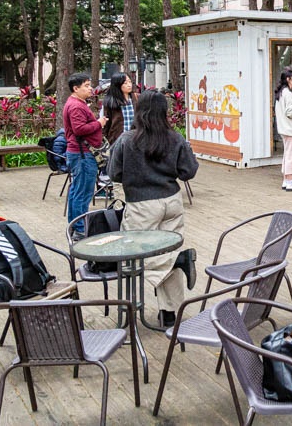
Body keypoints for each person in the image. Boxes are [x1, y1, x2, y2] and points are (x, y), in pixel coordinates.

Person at [108, 90, 199, 328]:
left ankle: (130, 311)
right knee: (167, 250)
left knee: (133, 258)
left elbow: (113, 173)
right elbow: (189, 171)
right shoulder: (175, 138)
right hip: (171, 201)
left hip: (141, 204)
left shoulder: (127, 140)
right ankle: (169, 313)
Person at [63, 72, 108, 235]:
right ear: (76, 88)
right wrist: (99, 123)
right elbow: (79, 129)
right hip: (82, 154)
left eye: (90, 85)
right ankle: (80, 229)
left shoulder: (78, 103)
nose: (90, 89)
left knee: (77, 191)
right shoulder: (75, 105)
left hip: (80, 153)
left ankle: (75, 226)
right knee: (83, 193)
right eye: (86, 86)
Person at [101, 72, 138, 144]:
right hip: (117, 140)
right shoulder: (110, 101)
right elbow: (106, 124)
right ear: (117, 84)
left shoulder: (136, 98)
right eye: (125, 83)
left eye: (130, 82)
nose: (129, 85)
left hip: (134, 139)